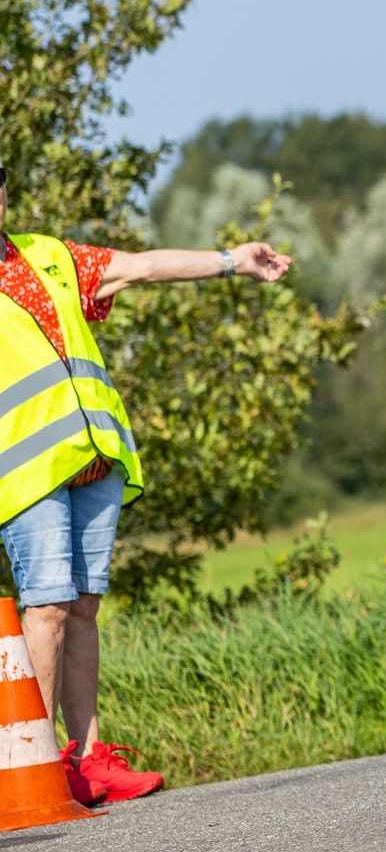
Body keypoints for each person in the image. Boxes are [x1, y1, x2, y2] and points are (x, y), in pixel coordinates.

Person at [0, 162, 292, 801]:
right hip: (24, 472)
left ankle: (88, 760)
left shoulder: (49, 256)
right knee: (46, 610)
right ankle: (35, 770)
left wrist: (231, 261)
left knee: (82, 608)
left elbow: (142, 267)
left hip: (94, 458)